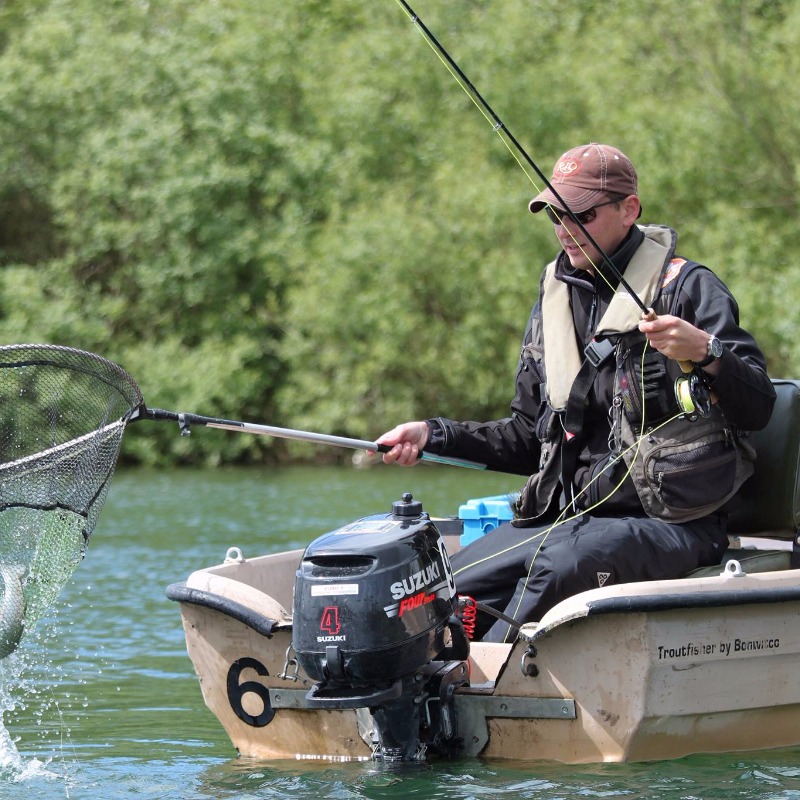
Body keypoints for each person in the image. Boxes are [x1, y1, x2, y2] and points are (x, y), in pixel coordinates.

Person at [376, 142, 776, 643]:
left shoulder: (690, 289)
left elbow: (759, 404)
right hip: (563, 520)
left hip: (675, 525)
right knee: (442, 582)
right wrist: (432, 434)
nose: (565, 229)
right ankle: (431, 679)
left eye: (581, 214)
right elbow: (526, 438)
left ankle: (485, 679)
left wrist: (708, 350)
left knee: (558, 566)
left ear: (628, 210)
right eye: (555, 216)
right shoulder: (554, 299)